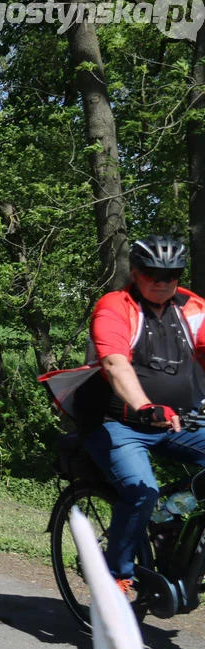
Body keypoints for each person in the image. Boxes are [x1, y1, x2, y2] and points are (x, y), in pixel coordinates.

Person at [78, 235, 205, 596]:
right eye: (152, 273)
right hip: (118, 423)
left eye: (172, 274)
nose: (162, 282)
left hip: (182, 421)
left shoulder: (193, 307)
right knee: (141, 490)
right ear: (135, 272)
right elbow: (115, 362)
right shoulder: (115, 306)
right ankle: (116, 574)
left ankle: (170, 515)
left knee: (163, 498)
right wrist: (145, 406)